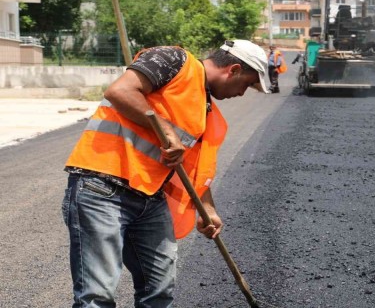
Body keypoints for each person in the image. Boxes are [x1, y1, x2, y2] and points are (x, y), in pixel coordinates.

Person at [61, 39, 270, 307]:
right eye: (246, 85)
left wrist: (208, 209)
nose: (242, 93)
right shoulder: (174, 60)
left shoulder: (204, 108)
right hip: (102, 187)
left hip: (149, 198)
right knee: (97, 295)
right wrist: (165, 129)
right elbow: (120, 91)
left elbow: (193, 168)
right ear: (234, 69)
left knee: (158, 289)